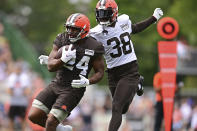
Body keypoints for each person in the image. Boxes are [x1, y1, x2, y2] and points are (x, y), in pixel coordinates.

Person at [89, 0, 163, 131]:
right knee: (122, 110)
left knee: (116, 107)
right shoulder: (95, 33)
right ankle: (137, 85)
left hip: (129, 69)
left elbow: (135, 28)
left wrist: (153, 18)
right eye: (100, 13)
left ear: (114, 13)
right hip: (112, 73)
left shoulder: (123, 21)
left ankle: (135, 82)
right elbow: (82, 46)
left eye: (105, 13)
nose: (102, 16)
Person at [28, 13, 105, 131]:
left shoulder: (94, 46)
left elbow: (100, 72)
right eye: (69, 27)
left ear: (84, 30)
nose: (70, 31)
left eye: (75, 29)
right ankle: (62, 129)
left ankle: (57, 127)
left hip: (73, 89)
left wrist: (87, 81)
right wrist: (63, 60)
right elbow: (50, 66)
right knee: (34, 116)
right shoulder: (62, 38)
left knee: (51, 121)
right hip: (57, 83)